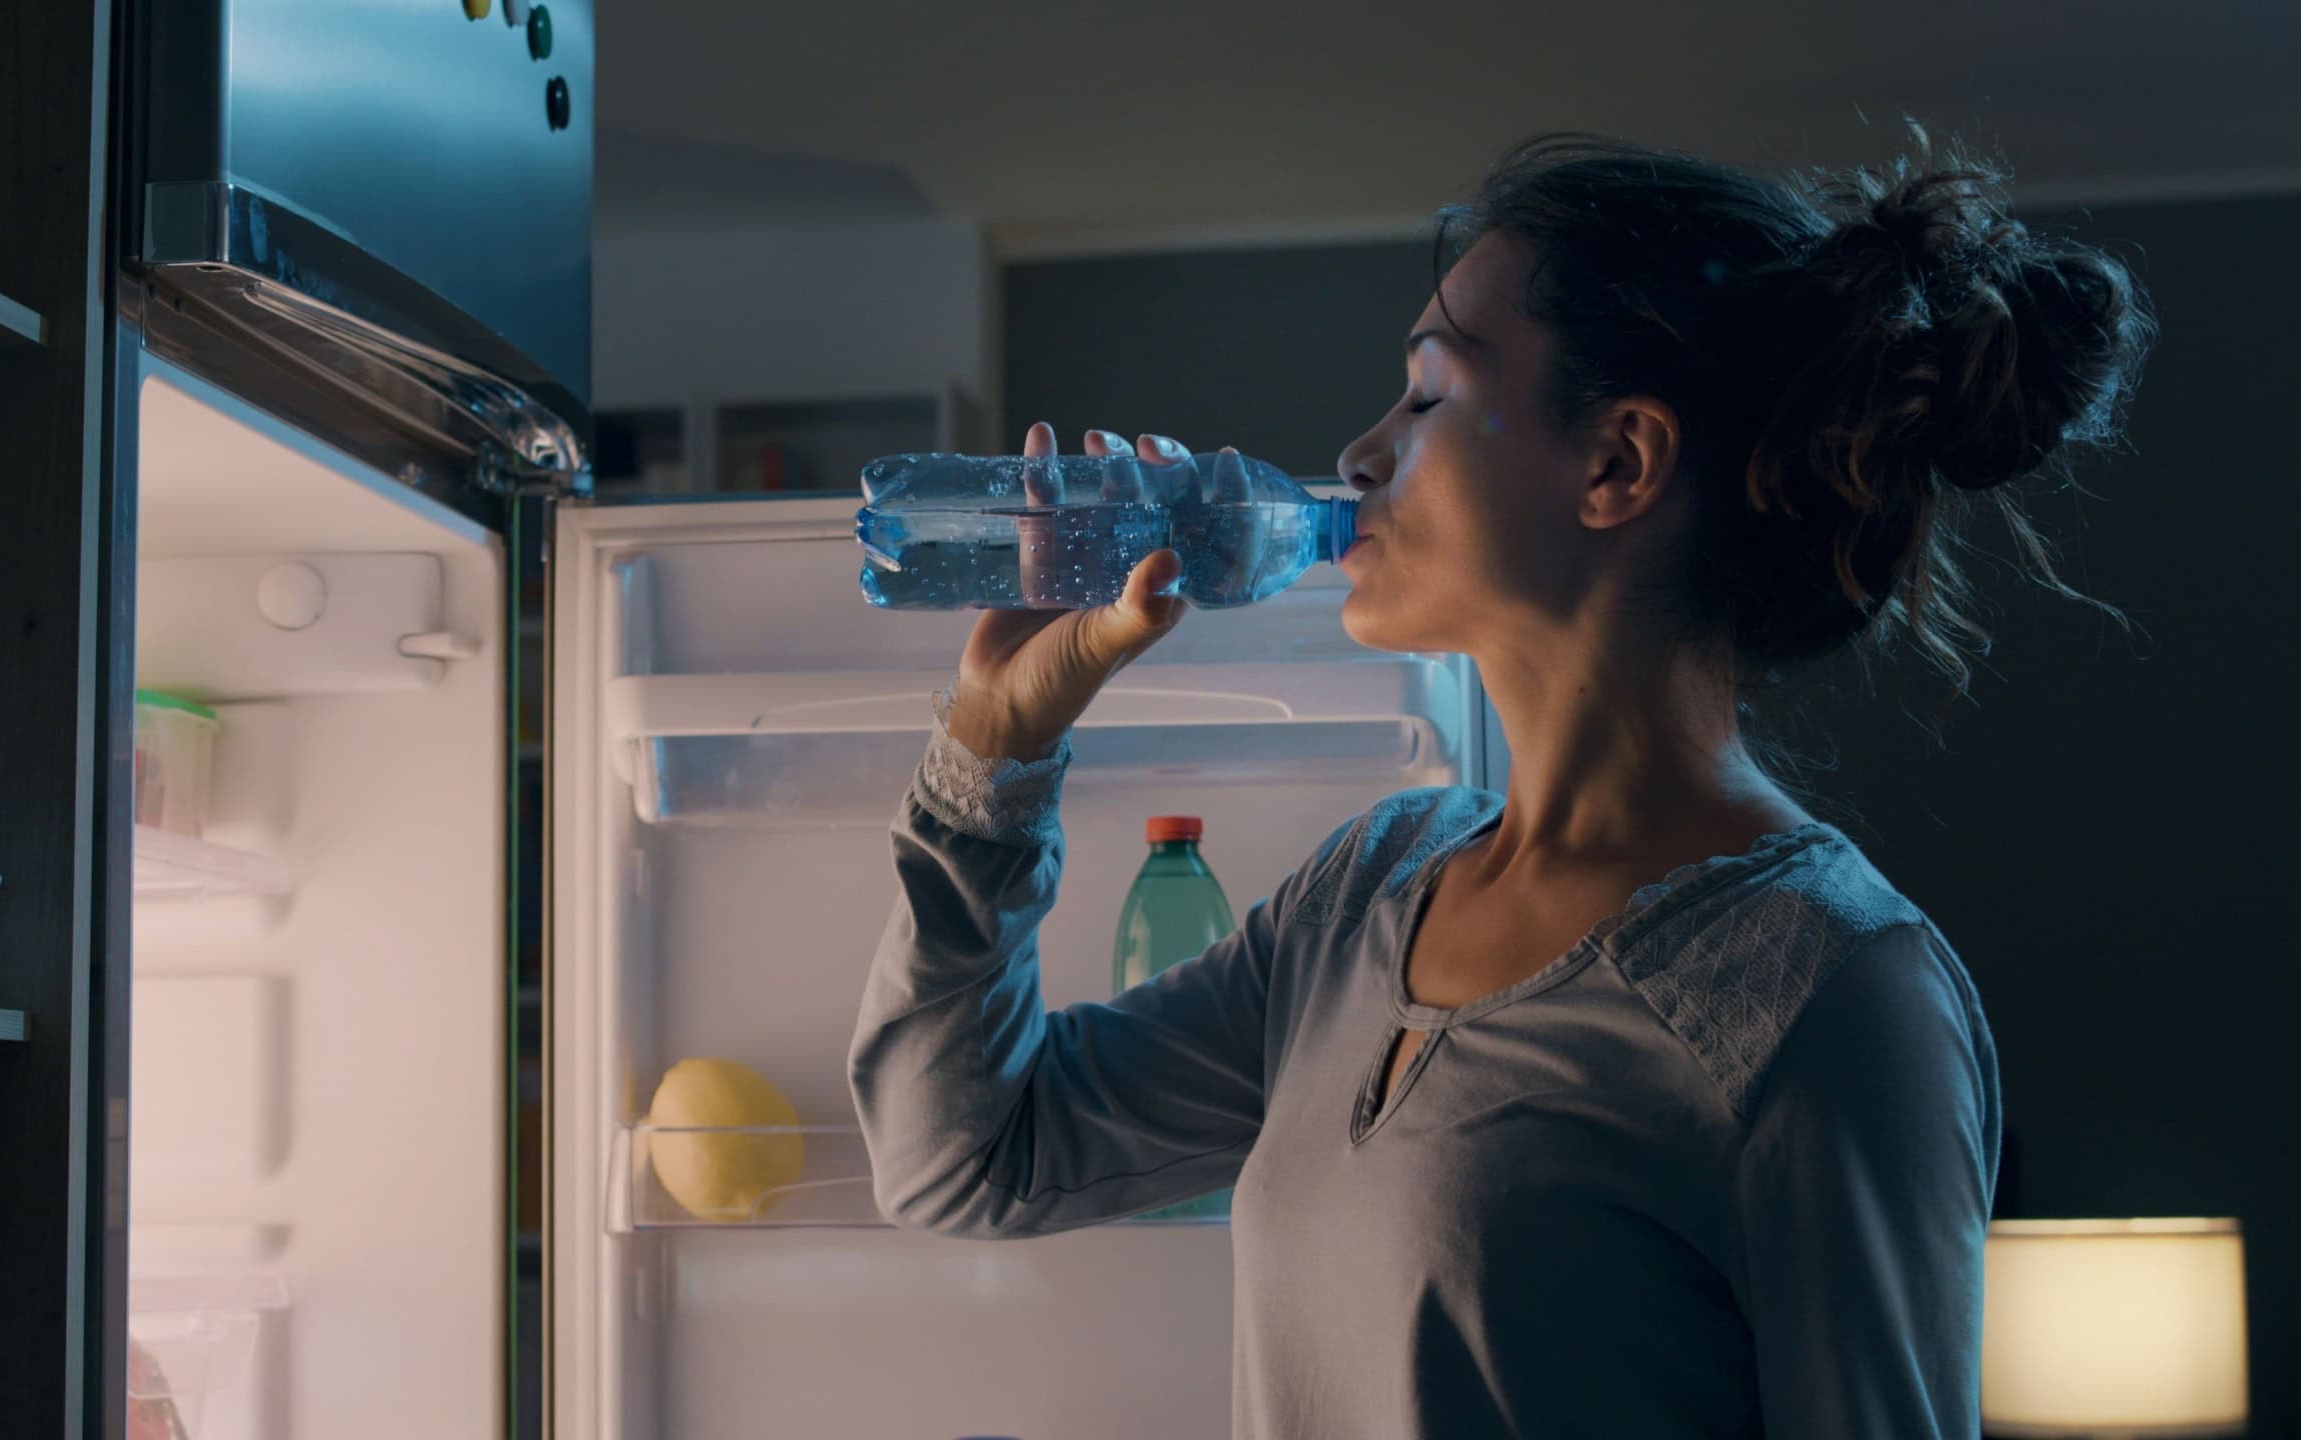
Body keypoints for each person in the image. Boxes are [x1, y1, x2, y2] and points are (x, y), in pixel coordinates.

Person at [848, 132, 2154, 1438]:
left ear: (1618, 465)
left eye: (1425, 397)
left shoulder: (1825, 988)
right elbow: (961, 1158)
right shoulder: (1365, 894)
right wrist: (1000, 737)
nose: (1358, 458)